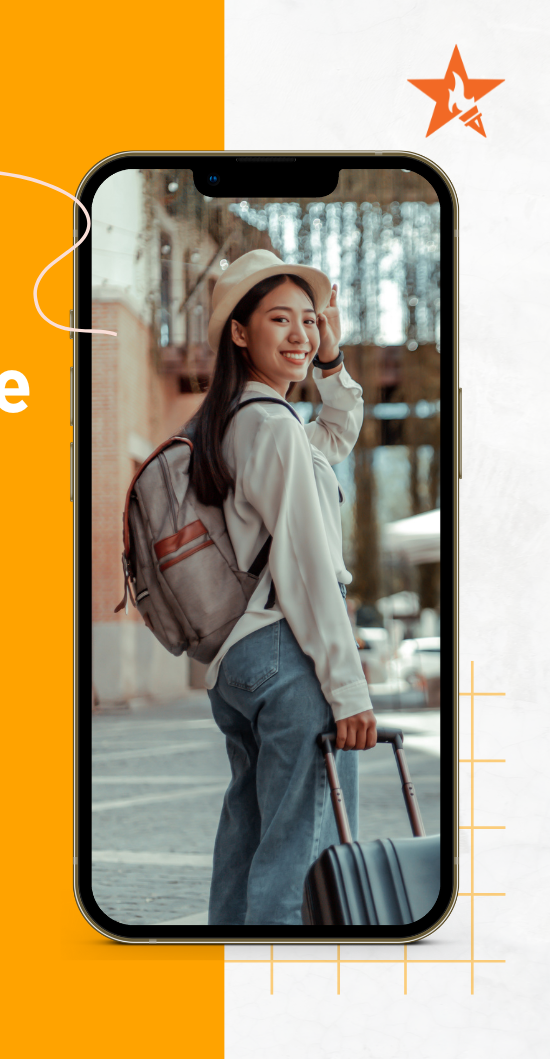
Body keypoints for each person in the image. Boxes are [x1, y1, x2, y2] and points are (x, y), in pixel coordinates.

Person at [186, 249, 376, 926]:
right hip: (287, 655)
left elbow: (336, 432)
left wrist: (332, 365)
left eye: (308, 320)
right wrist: (348, 689)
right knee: (300, 861)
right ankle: (278, 999)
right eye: (279, 320)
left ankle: (227, 985)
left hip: (239, 663)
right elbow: (307, 570)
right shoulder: (272, 429)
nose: (300, 334)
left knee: (249, 844)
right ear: (240, 332)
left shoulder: (238, 422)